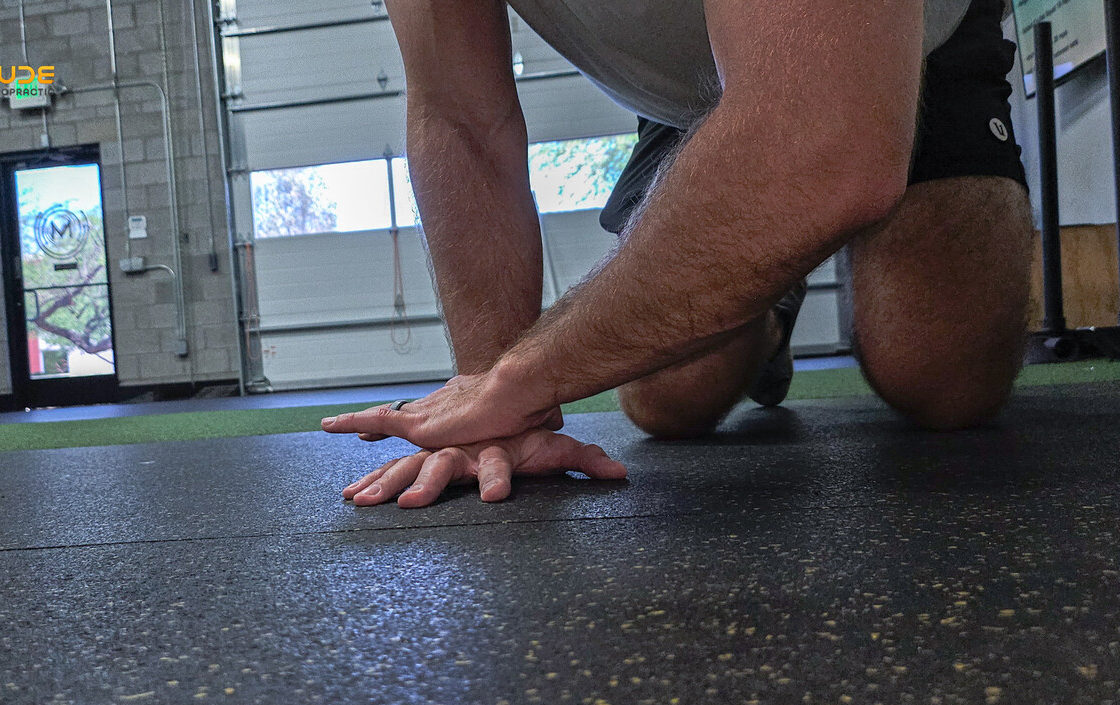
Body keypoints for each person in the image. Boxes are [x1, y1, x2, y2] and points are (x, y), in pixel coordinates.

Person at [323, 0, 1032, 508]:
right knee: (671, 401)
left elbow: (823, 145)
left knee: (943, 383)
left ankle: (784, 245)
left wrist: (522, 377)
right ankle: (769, 299)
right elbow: (459, 116)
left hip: (919, 37)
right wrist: (488, 408)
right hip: (684, 86)